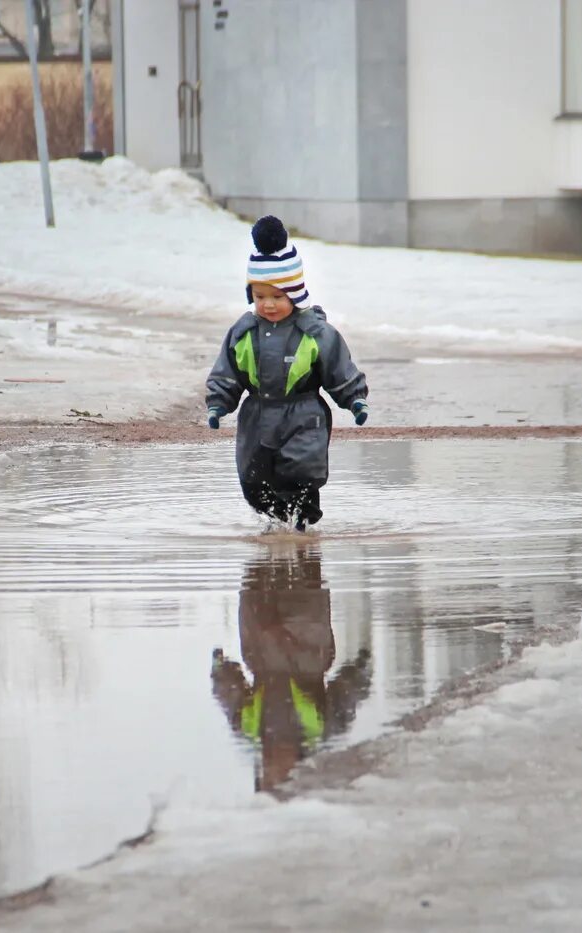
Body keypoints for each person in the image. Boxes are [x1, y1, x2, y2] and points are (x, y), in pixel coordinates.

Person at [205, 215, 369, 531]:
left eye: (277, 296)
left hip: (303, 413)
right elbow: (227, 372)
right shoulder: (244, 332)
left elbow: (339, 368)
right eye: (260, 296)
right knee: (254, 480)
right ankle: (273, 526)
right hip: (256, 415)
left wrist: (355, 399)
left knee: (301, 470)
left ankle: (300, 527)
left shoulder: (315, 333)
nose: (268, 304)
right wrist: (218, 403)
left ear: (294, 294)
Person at [210, 545, 373, 791]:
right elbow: (347, 695)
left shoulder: (251, 732)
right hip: (306, 635)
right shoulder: (321, 730)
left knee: (260, 560)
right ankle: (294, 531)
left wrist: (220, 668)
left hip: (260, 631)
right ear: (298, 769)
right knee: (304, 561)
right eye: (281, 776)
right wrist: (361, 667)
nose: (274, 768)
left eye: (268, 777)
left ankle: (286, 529)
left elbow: (229, 695)